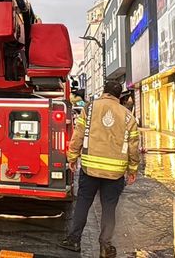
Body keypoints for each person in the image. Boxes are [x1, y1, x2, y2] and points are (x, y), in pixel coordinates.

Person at [59, 81, 140, 258]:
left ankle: (74, 240)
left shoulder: (90, 108)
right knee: (109, 208)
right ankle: (105, 246)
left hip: (90, 169)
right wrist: (132, 170)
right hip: (115, 172)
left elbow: (78, 134)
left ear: (104, 92)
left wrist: (72, 157)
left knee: (83, 202)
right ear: (119, 96)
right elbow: (133, 146)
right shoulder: (128, 116)